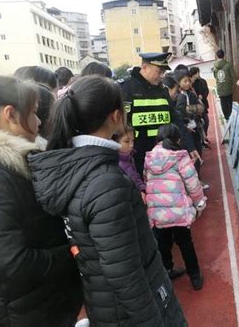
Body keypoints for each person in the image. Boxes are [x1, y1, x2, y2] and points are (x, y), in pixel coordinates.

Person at [28, 76, 186, 326]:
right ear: (115, 116)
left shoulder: (74, 166)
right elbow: (126, 275)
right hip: (128, 311)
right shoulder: (106, 183)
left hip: (105, 303)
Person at [0, 76, 82, 326]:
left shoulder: (15, 164)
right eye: (33, 113)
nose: (39, 122)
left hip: (40, 304)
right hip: (24, 313)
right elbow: (13, 264)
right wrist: (73, 251)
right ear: (10, 114)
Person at [144, 124, 206, 290]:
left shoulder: (149, 157)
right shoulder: (180, 156)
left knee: (163, 244)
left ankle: (168, 271)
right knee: (185, 243)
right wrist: (199, 204)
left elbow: (146, 180)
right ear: (178, 139)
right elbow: (193, 185)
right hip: (178, 211)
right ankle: (194, 275)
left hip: (157, 213)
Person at [119, 52, 199, 176]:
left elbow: (176, 119)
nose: (162, 76)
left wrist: (190, 146)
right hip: (137, 158)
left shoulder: (162, 91)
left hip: (164, 156)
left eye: (163, 72)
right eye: (159, 71)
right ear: (145, 67)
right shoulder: (125, 89)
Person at [175, 70, 204, 174]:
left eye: (189, 81)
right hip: (184, 130)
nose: (188, 83)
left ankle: (198, 179)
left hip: (195, 127)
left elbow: (201, 108)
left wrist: (188, 108)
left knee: (198, 151)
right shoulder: (176, 95)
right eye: (185, 81)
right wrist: (191, 109)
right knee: (188, 157)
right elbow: (178, 113)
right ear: (178, 82)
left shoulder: (191, 94)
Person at [113, 124, 146, 193]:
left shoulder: (130, 157)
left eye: (133, 140)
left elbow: (135, 177)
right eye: (127, 141)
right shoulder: (114, 162)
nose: (131, 145)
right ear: (115, 142)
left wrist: (142, 189)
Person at [190, 66, 211, 142]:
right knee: (200, 123)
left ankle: (204, 137)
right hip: (196, 107)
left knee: (206, 122)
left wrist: (203, 96)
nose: (198, 74)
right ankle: (202, 139)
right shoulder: (191, 83)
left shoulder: (203, 81)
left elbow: (206, 91)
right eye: (197, 73)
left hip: (203, 105)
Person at [213, 49, 235, 120]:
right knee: (229, 102)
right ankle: (229, 116)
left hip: (219, 87)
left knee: (223, 102)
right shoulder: (228, 65)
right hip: (228, 87)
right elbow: (233, 75)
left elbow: (215, 76)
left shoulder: (215, 66)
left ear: (217, 56)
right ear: (224, 55)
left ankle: (226, 117)